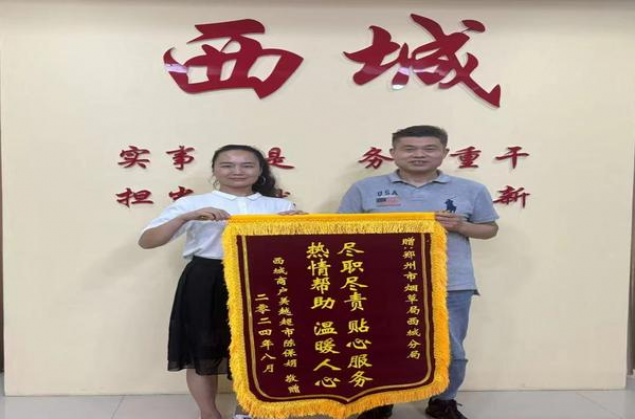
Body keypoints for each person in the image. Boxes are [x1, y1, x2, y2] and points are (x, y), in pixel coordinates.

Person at [338, 126, 499, 419]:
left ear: (444, 153)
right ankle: (379, 400)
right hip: (381, 284)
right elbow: (341, 230)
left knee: (451, 350)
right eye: (409, 148)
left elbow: (489, 229)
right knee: (380, 345)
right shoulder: (365, 189)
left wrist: (461, 226)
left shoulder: (471, 189)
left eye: (429, 148)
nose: (419, 154)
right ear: (394, 153)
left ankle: (443, 400)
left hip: (451, 283)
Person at [139, 144, 301, 419]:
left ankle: (246, 410)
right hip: (207, 278)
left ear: (260, 170)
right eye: (227, 165)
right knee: (202, 348)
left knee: (259, 348)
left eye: (247, 165)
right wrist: (184, 218)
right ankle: (208, 412)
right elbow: (147, 241)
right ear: (214, 170)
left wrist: (299, 226)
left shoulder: (280, 206)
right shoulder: (191, 204)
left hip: (262, 279)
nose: (237, 171)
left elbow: (295, 253)